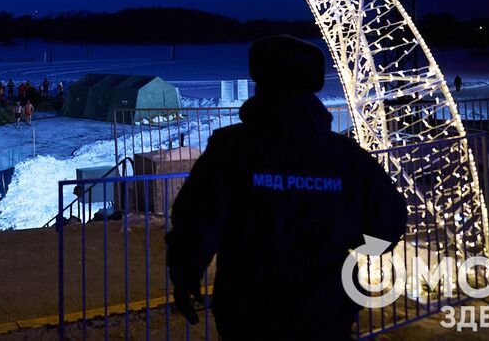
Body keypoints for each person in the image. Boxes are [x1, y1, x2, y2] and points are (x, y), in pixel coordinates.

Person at [167, 35, 407, 340]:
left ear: (260, 80)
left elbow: (197, 222)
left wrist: (185, 275)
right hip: (324, 307)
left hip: (248, 306)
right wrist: (340, 243)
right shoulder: (346, 158)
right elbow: (387, 224)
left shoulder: (230, 150)